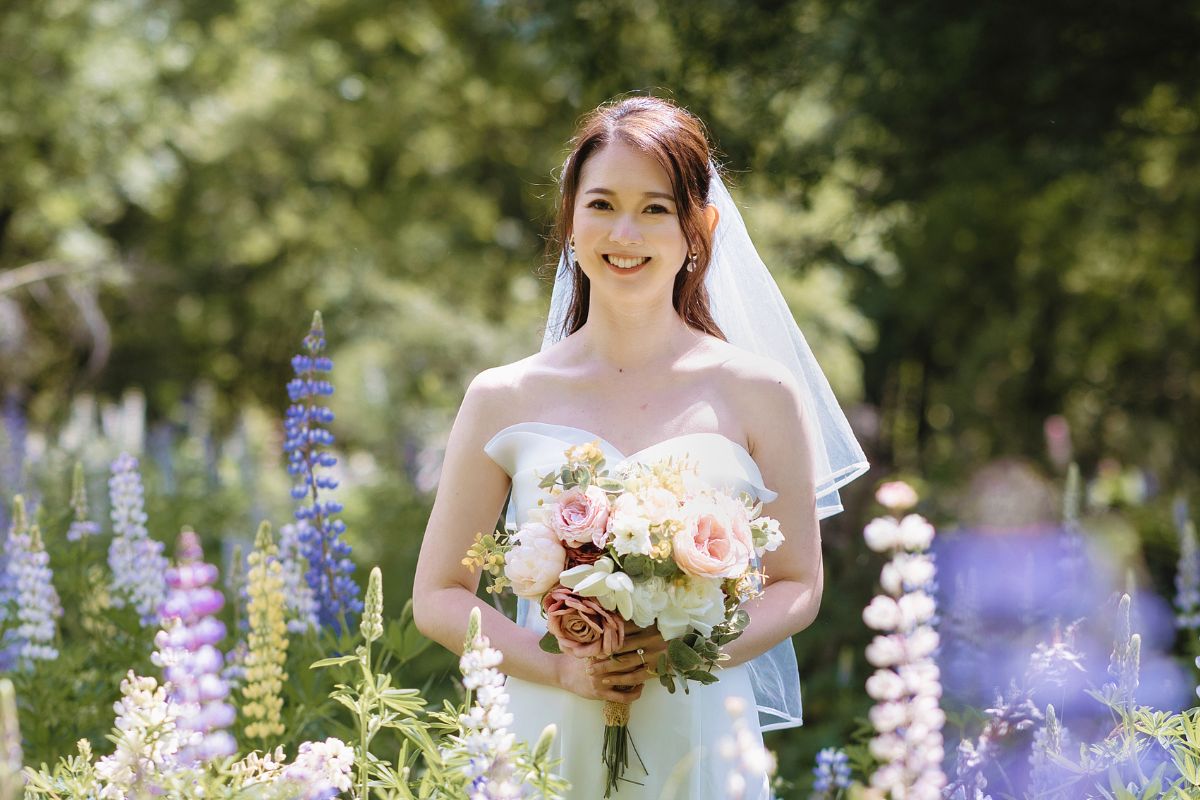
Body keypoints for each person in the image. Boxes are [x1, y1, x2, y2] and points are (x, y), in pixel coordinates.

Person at [413, 95, 868, 798]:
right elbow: (439, 595)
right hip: (548, 729)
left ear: (699, 229)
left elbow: (798, 584)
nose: (625, 232)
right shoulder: (502, 397)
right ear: (569, 219)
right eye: (602, 204)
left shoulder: (759, 392)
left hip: (701, 727)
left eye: (655, 209)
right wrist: (561, 666)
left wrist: (691, 650)